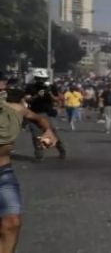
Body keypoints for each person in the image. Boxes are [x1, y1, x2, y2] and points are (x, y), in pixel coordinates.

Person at [1, 76, 58, 253]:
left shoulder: (16, 110)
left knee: (12, 223)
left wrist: (48, 132)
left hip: (3, 174)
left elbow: (39, 119)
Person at [23, 71, 66, 161]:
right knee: (36, 135)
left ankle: (61, 150)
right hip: (33, 113)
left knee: (50, 134)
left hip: (45, 113)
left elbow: (58, 99)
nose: (41, 81)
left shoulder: (50, 87)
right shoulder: (31, 87)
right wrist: (37, 96)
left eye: (43, 79)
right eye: (39, 79)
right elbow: (27, 100)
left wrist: (49, 93)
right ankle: (39, 155)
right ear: (36, 78)